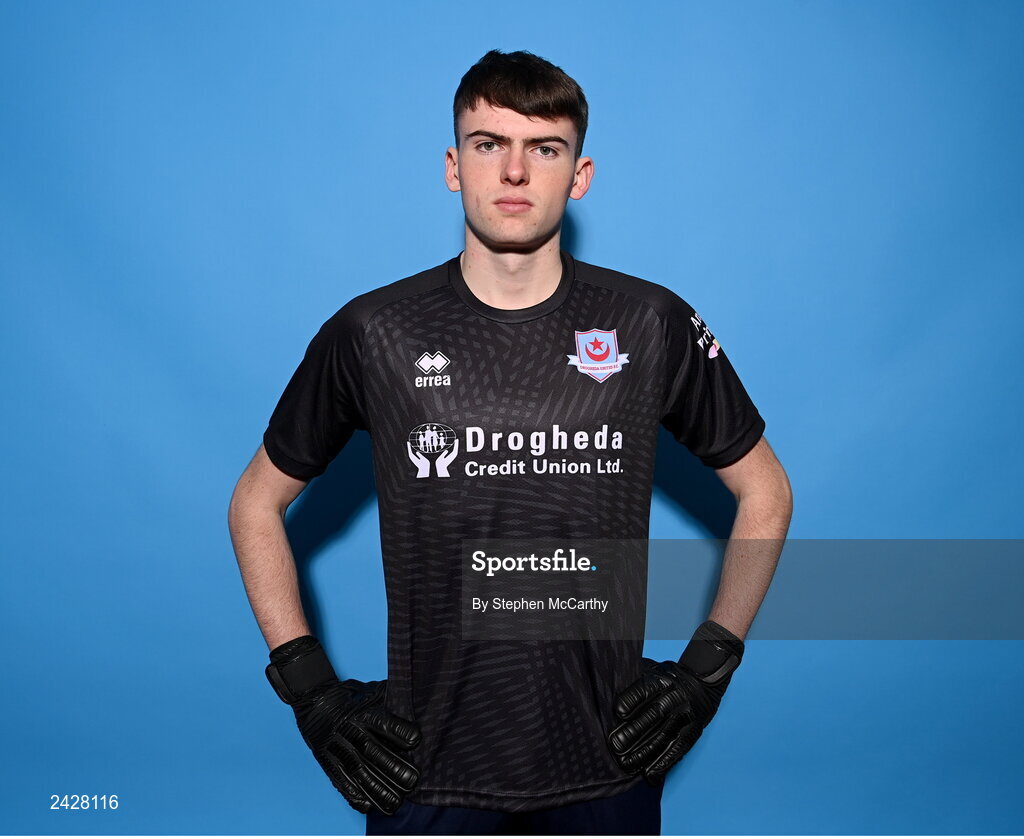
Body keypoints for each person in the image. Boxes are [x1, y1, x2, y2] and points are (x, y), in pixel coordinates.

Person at [227, 49, 793, 836]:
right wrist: (311, 689)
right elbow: (255, 502)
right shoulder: (374, 331)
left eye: (545, 148)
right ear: (454, 167)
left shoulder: (651, 322)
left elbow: (766, 490)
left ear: (581, 174)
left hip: (607, 759)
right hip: (424, 767)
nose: (516, 172)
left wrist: (708, 670)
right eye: (490, 144)